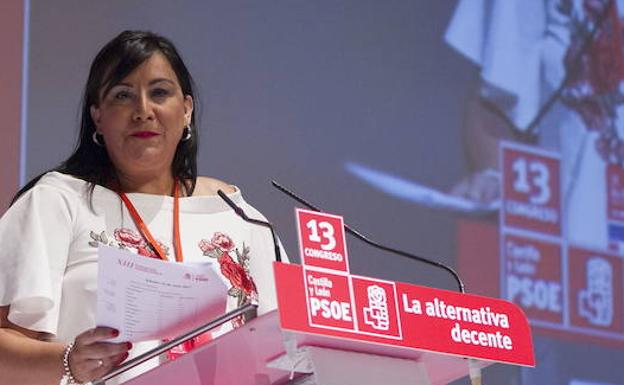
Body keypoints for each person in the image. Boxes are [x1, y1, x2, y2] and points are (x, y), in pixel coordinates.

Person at [0, 30, 283, 385]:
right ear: (98, 117)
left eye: (160, 92)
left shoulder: (240, 218)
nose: (143, 111)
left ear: (186, 111)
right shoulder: (58, 201)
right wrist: (69, 360)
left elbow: (289, 351)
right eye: (123, 95)